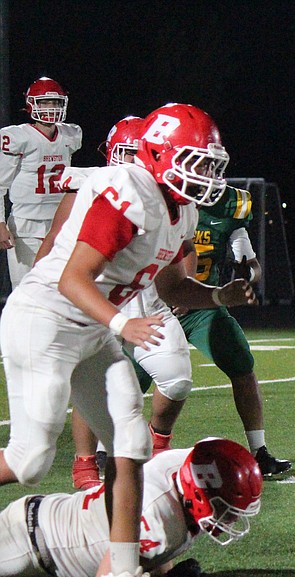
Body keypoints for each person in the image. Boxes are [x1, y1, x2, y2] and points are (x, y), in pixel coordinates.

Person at [0, 102, 254, 577]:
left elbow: (174, 288)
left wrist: (222, 295)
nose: (206, 174)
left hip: (92, 327)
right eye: (196, 161)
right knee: (30, 460)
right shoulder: (129, 193)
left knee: (131, 442)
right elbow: (72, 278)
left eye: (210, 164)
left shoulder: (180, 211)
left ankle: (121, 576)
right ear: (159, 153)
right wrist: (124, 324)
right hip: (46, 318)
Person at [36, 117, 197, 490]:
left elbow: (183, 247)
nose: (130, 163)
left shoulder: (176, 200)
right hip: (98, 303)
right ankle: (84, 464)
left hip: (149, 303)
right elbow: (56, 246)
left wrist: (185, 288)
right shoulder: (93, 188)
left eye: (134, 154)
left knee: (176, 381)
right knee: (38, 446)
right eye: (123, 154)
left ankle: (157, 448)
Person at [0, 439, 261, 577]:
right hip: (28, 544)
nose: (232, 517)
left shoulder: (187, 462)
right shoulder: (159, 519)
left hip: (46, 518)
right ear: (199, 494)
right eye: (226, 508)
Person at [175, 183, 291, 476]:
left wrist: (246, 275)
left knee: (242, 363)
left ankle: (259, 451)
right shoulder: (157, 200)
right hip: (157, 307)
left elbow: (251, 263)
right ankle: (103, 451)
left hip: (204, 306)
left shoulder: (227, 207)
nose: (207, 176)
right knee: (130, 376)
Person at [0, 77, 83, 291]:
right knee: (27, 290)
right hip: (26, 224)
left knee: (60, 289)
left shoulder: (70, 134)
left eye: (55, 103)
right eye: (45, 102)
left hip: (60, 222)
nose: (51, 108)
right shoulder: (17, 137)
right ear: (31, 104)